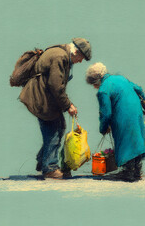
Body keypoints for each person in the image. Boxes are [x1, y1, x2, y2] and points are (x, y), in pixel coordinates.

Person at [20, 38, 91, 179]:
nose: (80, 61)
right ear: (75, 52)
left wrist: (66, 104)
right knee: (53, 131)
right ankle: (50, 168)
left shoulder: (61, 52)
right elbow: (55, 85)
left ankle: (43, 161)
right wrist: (68, 105)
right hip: (43, 100)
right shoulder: (60, 56)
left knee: (58, 128)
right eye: (81, 58)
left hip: (44, 98)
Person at [86, 62, 145, 182]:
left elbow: (106, 113)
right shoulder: (120, 78)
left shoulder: (103, 90)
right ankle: (136, 171)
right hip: (136, 110)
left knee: (125, 140)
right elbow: (139, 89)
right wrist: (143, 101)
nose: (94, 87)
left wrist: (103, 128)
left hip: (122, 114)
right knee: (135, 138)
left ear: (96, 80)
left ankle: (128, 172)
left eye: (93, 84)